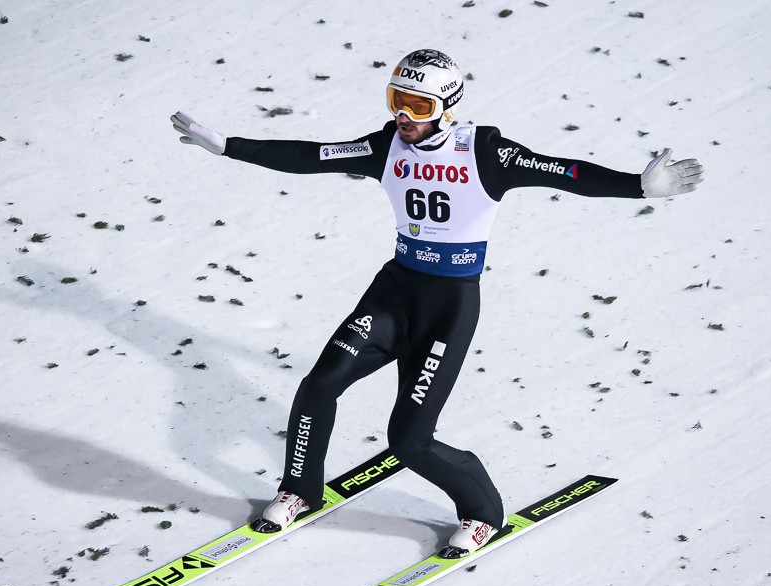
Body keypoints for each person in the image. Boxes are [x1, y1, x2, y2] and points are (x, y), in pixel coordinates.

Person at [172, 48, 702, 557]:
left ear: (447, 107)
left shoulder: (485, 152)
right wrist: (230, 147)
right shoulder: (387, 146)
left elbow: (563, 172)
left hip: (449, 308)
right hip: (394, 293)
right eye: (396, 100)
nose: (404, 115)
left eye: (418, 105)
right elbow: (312, 156)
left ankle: (482, 512)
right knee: (317, 387)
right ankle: (299, 490)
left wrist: (637, 187)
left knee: (409, 441)